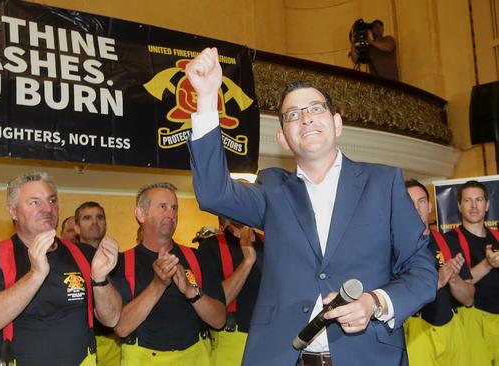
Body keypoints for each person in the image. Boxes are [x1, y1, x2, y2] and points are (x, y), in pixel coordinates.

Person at [185, 48, 436, 366]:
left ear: (337, 123)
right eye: (292, 115)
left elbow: (423, 270)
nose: (305, 118)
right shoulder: (272, 189)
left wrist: (375, 302)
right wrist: (207, 99)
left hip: (368, 357)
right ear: (284, 138)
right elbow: (212, 194)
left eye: (315, 109)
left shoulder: (383, 184)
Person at [0, 171, 122, 365]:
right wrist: (35, 274)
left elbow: (112, 319)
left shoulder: (83, 254)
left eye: (52, 200)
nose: (48, 208)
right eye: (35, 202)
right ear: (13, 211)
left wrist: (100, 279)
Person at [111, 182, 226, 365]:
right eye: (163, 207)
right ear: (141, 214)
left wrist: (191, 291)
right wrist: (158, 284)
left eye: (174, 208)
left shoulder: (198, 257)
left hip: (196, 357)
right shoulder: (122, 263)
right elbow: (121, 328)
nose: (171, 214)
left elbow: (219, 320)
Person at [403, 180, 474, 366]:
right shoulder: (392, 250)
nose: (417, 208)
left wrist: (454, 278)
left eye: (421, 201)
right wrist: (437, 281)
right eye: (410, 203)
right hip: (416, 335)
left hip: (452, 329)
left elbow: (468, 300)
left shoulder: (448, 242)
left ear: (430, 206)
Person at [443, 180, 499, 366]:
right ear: (459, 205)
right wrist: (488, 264)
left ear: (487, 204)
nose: (474, 206)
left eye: (479, 200)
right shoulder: (450, 241)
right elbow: (457, 283)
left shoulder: (497, 237)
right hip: (473, 320)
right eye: (468, 200)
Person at [199, 216, 263, 365]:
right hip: (231, 346)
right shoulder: (211, 247)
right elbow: (215, 305)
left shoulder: (272, 244)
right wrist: (247, 262)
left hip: (271, 342)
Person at [74, 201, 121, 366]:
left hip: (114, 341)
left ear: (106, 224)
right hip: (77, 342)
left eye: (99, 217)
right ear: (77, 228)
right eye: (87, 218)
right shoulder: (66, 261)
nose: (95, 222)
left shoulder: (118, 260)